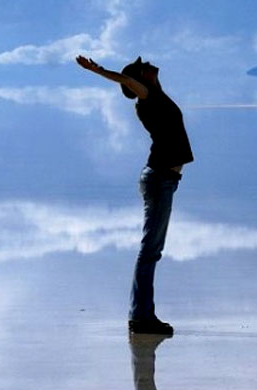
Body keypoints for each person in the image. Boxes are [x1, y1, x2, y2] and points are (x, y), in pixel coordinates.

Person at [76, 55, 194, 336]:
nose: (150, 65)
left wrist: (146, 74)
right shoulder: (146, 98)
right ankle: (141, 317)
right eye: (145, 67)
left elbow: (141, 78)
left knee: (152, 250)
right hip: (160, 178)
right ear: (140, 80)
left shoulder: (158, 95)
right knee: (150, 250)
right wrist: (99, 70)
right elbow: (128, 81)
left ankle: (142, 315)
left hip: (166, 179)